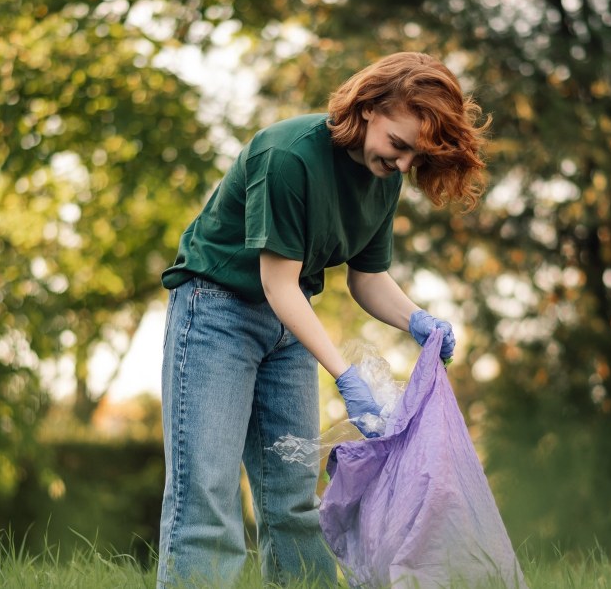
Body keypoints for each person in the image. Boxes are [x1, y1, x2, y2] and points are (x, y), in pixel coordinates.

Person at [155, 52, 489, 587]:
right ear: (368, 107)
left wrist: (417, 320)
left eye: (415, 155)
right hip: (217, 314)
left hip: (287, 326)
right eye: (399, 145)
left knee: (292, 500)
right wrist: (345, 374)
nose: (404, 164)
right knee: (206, 495)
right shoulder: (289, 156)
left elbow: (368, 279)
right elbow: (277, 282)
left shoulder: (384, 179)